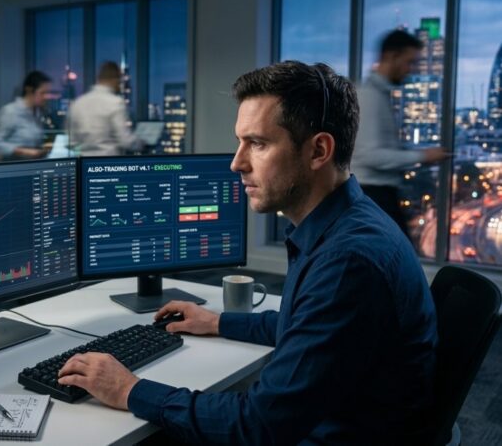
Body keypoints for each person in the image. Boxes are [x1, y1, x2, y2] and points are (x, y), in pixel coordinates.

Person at [57, 61, 438, 445]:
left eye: (258, 143)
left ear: (319, 150)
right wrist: (219, 322)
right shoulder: (350, 223)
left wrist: (129, 390)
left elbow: (258, 425)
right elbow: (307, 328)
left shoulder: (348, 261)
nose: (236, 163)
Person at [352, 29, 448, 236]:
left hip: (375, 195)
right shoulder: (369, 97)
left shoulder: (379, 95)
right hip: (372, 194)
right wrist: (423, 156)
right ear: (390, 57)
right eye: (409, 62)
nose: (410, 70)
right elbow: (370, 155)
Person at [68, 61, 143, 156]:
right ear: (116, 80)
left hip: (83, 164)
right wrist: (142, 143)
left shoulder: (78, 103)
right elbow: (126, 141)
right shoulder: (115, 102)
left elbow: (71, 141)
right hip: (108, 164)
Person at [0, 71, 51, 160]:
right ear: (29, 90)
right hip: (14, 166)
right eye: (43, 93)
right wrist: (23, 151)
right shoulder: (11, 111)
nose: (47, 97)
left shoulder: (37, 112)